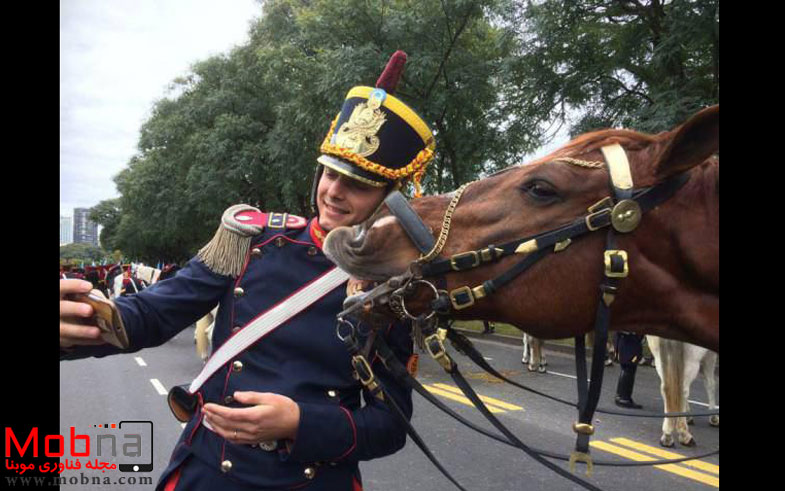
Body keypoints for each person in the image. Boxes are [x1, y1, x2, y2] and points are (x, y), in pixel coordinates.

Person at [59, 51, 436, 491]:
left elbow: (389, 425)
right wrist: (82, 314)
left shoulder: (395, 287)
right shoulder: (251, 238)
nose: (333, 191)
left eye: (358, 183)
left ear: (390, 196)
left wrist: (300, 422)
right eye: (330, 173)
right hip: (208, 473)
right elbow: (154, 312)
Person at [614, 331, 645, 409]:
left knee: (626, 368)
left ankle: (621, 395)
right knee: (629, 368)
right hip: (629, 340)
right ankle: (624, 398)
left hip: (624, 339)